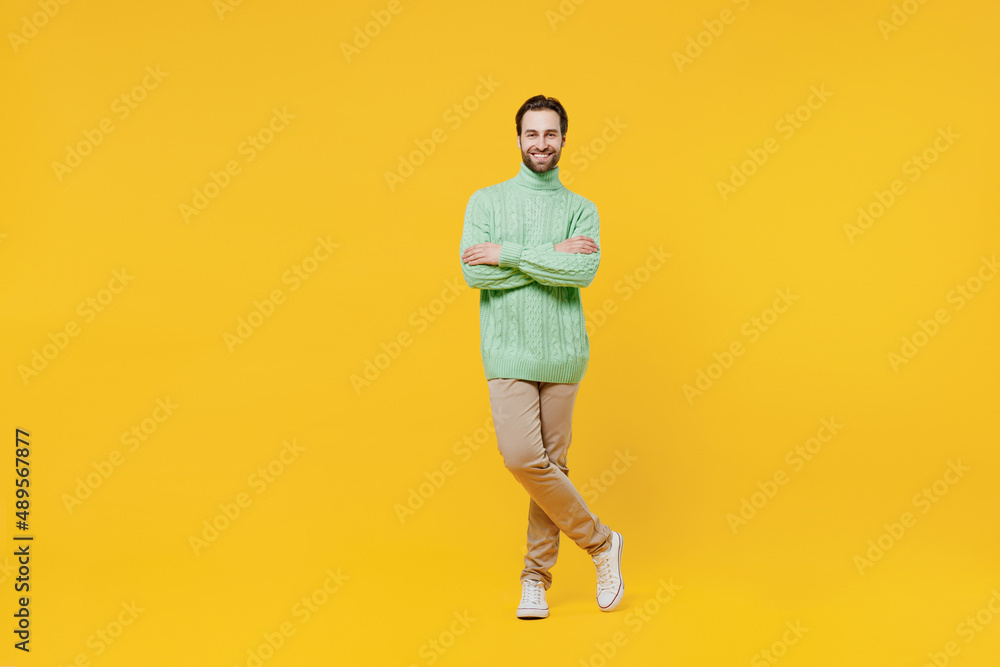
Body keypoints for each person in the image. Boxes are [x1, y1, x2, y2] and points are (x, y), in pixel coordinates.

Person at [459, 94, 623, 620]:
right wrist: (551, 256)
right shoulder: (485, 202)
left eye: (550, 134)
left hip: (563, 353)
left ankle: (535, 579)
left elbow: (581, 274)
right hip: (507, 351)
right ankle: (601, 543)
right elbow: (474, 274)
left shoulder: (581, 209)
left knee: (552, 467)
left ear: (564, 140)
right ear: (518, 139)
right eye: (532, 134)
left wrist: (509, 253)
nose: (541, 143)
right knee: (522, 459)